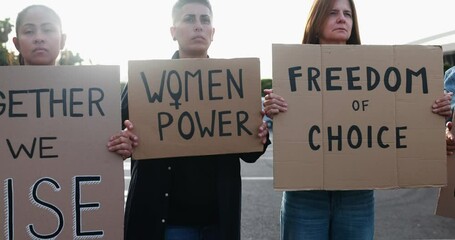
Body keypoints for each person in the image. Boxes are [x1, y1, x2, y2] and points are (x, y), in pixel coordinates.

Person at [263, 0, 452, 239]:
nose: (342, 18)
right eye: (333, 13)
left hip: (357, 196)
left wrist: (431, 109)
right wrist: (274, 108)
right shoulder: (292, 73)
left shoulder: (377, 68)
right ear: (315, 20)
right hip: (305, 194)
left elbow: (397, 114)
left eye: (347, 14)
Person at [107, 0, 270, 239]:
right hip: (166, 225)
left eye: (205, 20)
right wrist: (123, 142)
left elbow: (251, 153)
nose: (198, 26)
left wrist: (261, 137)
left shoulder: (232, 82)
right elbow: (110, 139)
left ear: (213, 33)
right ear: (173, 32)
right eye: (189, 19)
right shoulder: (147, 81)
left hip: (217, 223)